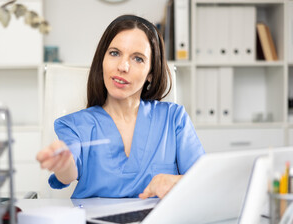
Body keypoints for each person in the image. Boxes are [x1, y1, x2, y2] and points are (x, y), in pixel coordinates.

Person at [36, 14, 205, 199]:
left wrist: (175, 181)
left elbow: (206, 180)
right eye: (115, 53)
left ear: (151, 72)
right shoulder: (75, 125)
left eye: (138, 59)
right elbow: (69, 171)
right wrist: (64, 163)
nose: (123, 67)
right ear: (102, 61)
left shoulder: (174, 119)